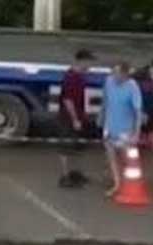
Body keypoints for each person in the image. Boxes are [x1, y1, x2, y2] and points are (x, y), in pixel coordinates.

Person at [101, 62, 144, 197]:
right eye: (113, 72)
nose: (114, 75)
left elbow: (138, 112)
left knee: (126, 159)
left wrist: (136, 133)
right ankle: (117, 184)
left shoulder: (133, 87)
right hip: (109, 127)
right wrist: (101, 117)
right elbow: (105, 100)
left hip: (125, 130)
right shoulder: (108, 81)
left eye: (117, 73)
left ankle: (129, 184)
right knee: (111, 158)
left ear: (125, 74)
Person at [58, 50, 94, 188]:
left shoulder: (80, 76)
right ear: (82, 61)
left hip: (79, 116)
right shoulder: (71, 77)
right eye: (89, 62)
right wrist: (74, 119)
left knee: (77, 146)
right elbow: (67, 100)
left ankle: (76, 174)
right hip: (68, 118)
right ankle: (65, 176)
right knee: (66, 147)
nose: (91, 65)